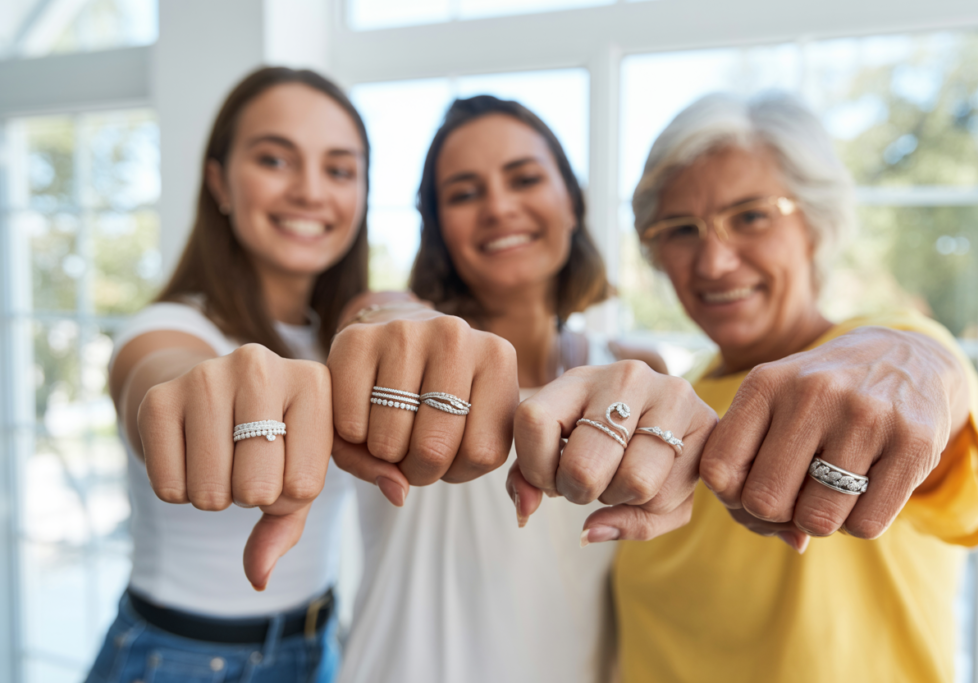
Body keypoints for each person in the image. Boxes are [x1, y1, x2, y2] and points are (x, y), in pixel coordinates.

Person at [511, 91, 978, 683]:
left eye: (751, 216)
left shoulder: (883, 363)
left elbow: (924, 376)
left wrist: (918, 359)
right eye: (681, 229)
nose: (714, 261)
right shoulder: (670, 405)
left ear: (815, 225)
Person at [335, 95, 712, 683]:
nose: (499, 207)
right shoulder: (405, 342)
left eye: (525, 178)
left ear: (571, 200)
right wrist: (386, 320)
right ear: (437, 228)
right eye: (464, 193)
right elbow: (376, 318)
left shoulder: (630, 367)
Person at [85, 66, 371, 683]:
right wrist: (194, 393)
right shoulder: (167, 326)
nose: (311, 191)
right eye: (275, 160)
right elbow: (162, 380)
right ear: (219, 181)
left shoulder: (340, 340)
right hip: (180, 662)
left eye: (340, 169)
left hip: (320, 648)